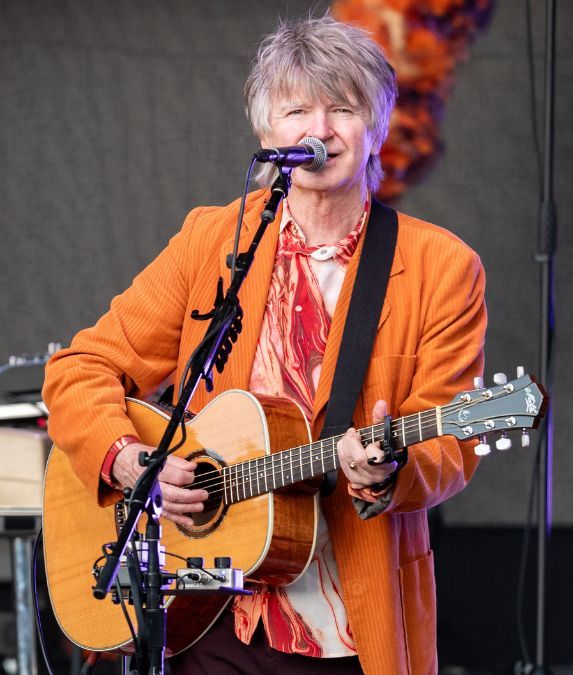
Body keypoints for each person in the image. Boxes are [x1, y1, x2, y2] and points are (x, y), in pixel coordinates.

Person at [42, 15, 486, 675]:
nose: (320, 129)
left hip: (348, 625)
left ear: (379, 129)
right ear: (266, 132)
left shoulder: (441, 266)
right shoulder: (214, 242)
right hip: (204, 607)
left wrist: (392, 470)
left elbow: (450, 442)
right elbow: (79, 370)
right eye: (297, 109)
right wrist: (132, 461)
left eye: (344, 108)